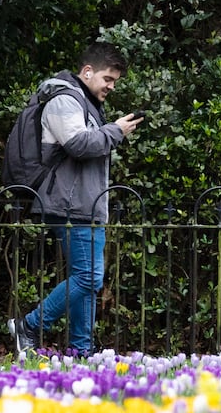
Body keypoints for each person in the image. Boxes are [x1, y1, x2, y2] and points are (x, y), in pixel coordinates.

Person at [7, 41, 143, 355]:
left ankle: (82, 351)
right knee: (89, 276)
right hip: (70, 204)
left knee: (87, 279)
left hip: (87, 204)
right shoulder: (64, 99)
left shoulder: (87, 103)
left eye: (115, 81)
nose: (111, 86)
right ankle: (29, 326)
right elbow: (78, 144)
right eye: (108, 79)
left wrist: (112, 130)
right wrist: (116, 131)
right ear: (87, 71)